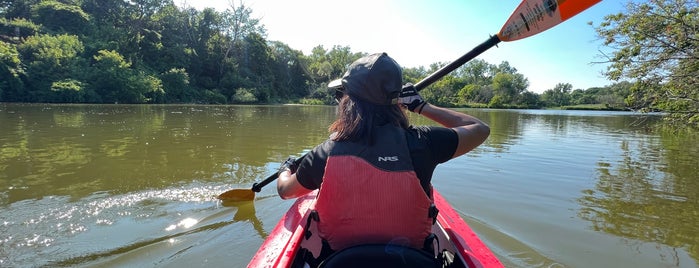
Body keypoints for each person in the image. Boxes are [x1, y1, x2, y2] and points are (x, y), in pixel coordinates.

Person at [276, 52, 490, 265]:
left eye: (341, 94)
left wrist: (285, 170)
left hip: (341, 261)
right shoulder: (424, 142)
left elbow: (286, 191)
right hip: (411, 261)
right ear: (398, 102)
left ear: (348, 101)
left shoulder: (324, 154)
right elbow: (480, 129)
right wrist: (422, 106)